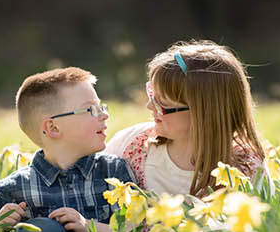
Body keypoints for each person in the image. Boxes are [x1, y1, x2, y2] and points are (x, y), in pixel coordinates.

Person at [0, 66, 135, 232]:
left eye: (101, 107)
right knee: (48, 228)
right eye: (91, 109)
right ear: (53, 127)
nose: (104, 114)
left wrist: (89, 227)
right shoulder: (18, 186)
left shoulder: (114, 171)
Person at [105, 40, 267, 199]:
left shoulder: (246, 169)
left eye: (163, 104)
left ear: (204, 114)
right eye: (152, 94)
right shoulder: (132, 144)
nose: (149, 106)